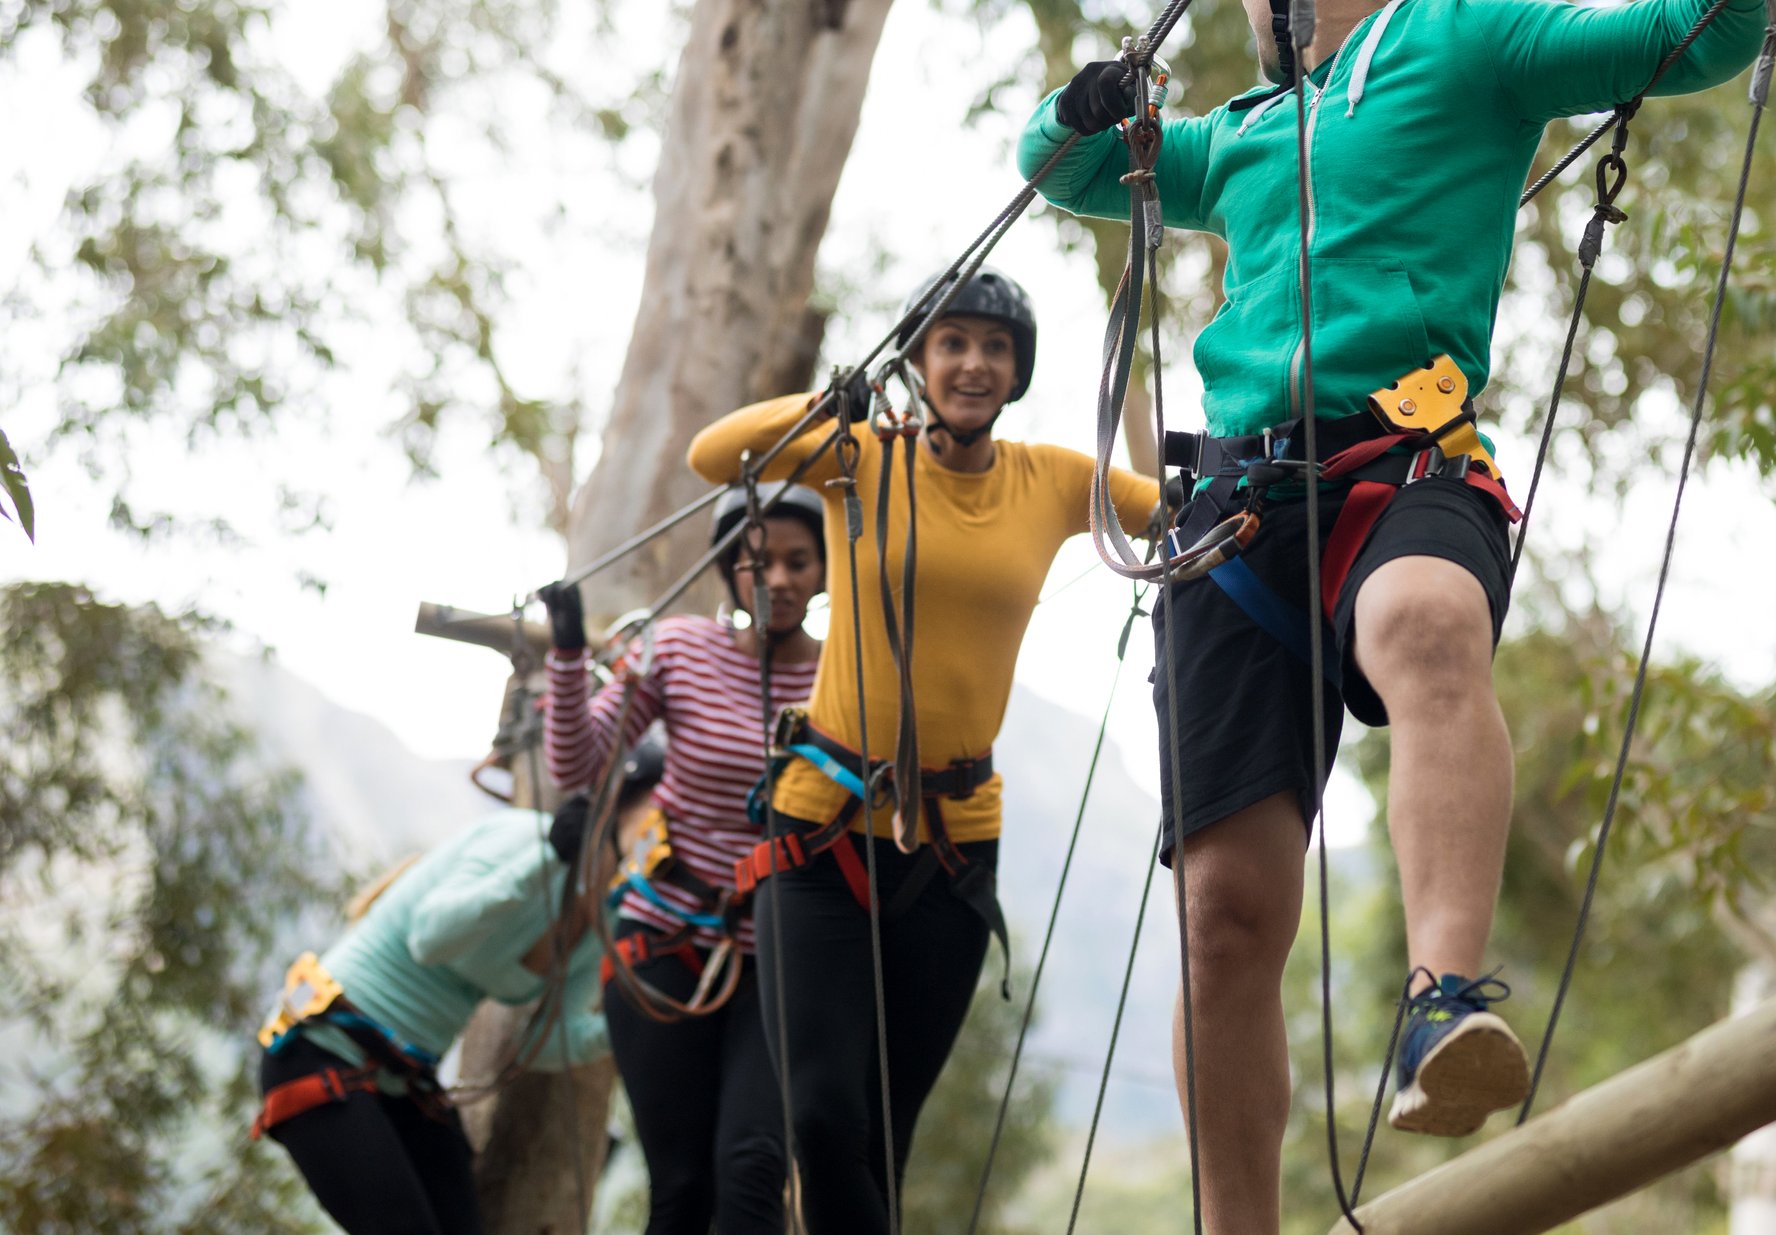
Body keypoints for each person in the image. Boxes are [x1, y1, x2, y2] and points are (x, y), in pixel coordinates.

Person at [1018, 0, 1776, 1232]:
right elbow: (1072, 171)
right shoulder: (1246, 133)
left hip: (1409, 455)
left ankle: (1445, 995)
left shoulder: (1460, 41)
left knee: (1427, 622)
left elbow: (1665, 43)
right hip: (1234, 514)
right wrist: (1078, 112)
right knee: (1226, 917)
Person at [687, 267, 1162, 1230]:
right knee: (822, 1117)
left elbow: (1171, 514)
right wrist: (830, 403)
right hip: (818, 831)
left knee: (885, 1137)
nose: (974, 363)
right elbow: (713, 453)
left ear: (1019, 369)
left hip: (949, 846)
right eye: (951, 343)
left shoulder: (1054, 479)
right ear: (917, 359)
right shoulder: (856, 454)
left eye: (995, 347)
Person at [537, 485, 827, 1235]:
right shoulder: (678, 647)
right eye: (759, 562)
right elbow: (578, 762)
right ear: (732, 569)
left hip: (779, 959)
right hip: (665, 941)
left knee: (753, 1167)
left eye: (800, 561)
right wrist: (569, 654)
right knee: (683, 1185)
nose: (780, 579)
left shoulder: (845, 676)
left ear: (827, 572)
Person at [249, 774, 648, 1235]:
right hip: (319, 1048)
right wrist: (547, 859)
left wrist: (629, 1022)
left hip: (405, 1082)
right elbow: (430, 937)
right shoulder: (521, 837)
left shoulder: (608, 916)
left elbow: (546, 1042)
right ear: (625, 804)